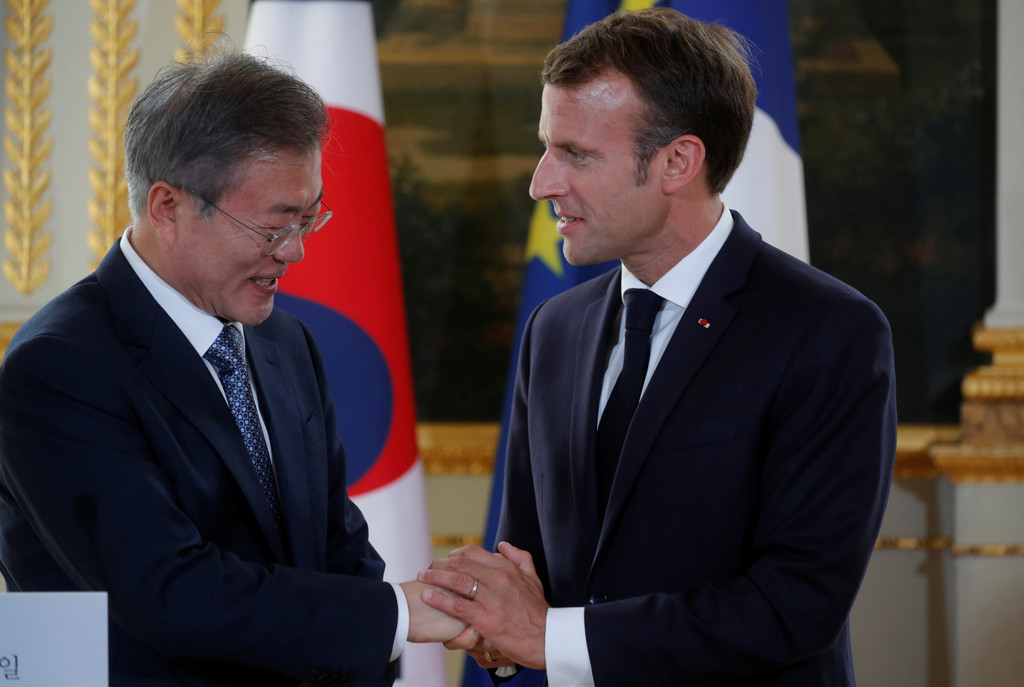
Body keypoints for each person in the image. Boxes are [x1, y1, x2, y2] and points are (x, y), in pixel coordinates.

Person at [419, 8, 897, 686]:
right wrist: (493, 625)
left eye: (576, 154)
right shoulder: (554, 329)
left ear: (678, 162)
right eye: (547, 147)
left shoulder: (827, 330)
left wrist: (548, 636)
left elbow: (794, 606)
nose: (541, 182)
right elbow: (527, 573)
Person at [0, 48, 462, 686]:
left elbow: (337, 550)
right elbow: (171, 592)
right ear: (168, 208)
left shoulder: (286, 343)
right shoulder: (58, 367)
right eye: (274, 227)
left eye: (309, 220)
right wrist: (400, 614)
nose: (295, 252)